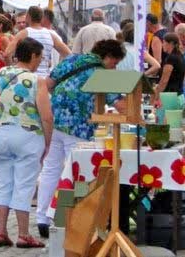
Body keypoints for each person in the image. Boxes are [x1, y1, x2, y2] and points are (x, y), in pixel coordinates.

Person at [35, 39, 126, 237]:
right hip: (78, 127)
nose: (114, 67)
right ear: (108, 57)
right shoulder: (102, 73)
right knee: (76, 173)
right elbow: (122, 106)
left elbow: (48, 84)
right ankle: (67, 219)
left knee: (51, 169)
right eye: (115, 63)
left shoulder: (72, 59)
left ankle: (42, 218)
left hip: (54, 119)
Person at [0, 37, 52, 249]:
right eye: (40, 57)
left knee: (5, 183)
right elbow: (46, 116)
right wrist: (48, 142)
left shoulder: (3, 74)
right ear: (33, 56)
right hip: (28, 135)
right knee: (24, 184)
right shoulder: (37, 81)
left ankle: (0, 231)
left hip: (3, 134)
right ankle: (24, 234)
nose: (40, 62)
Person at [6, 6, 71, 79]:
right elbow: (69, 54)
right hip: (44, 78)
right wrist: (58, 72)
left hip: (26, 78)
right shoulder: (51, 35)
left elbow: (7, 53)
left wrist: (11, 66)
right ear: (42, 18)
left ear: (28, 17)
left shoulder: (23, 33)